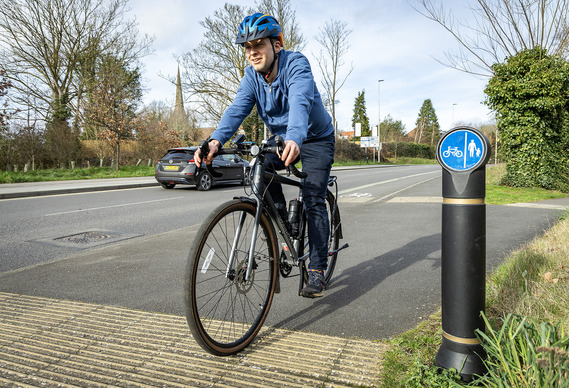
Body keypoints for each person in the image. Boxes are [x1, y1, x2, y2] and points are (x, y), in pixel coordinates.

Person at [195, 13, 335, 298]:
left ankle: (318, 268)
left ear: (277, 44)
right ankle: (285, 230)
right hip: (281, 140)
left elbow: (299, 100)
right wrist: (215, 142)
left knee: (313, 197)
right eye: (247, 47)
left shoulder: (296, 64)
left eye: (258, 44)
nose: (252, 52)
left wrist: (296, 136)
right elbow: (236, 110)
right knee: (257, 172)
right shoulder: (251, 77)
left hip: (314, 137)